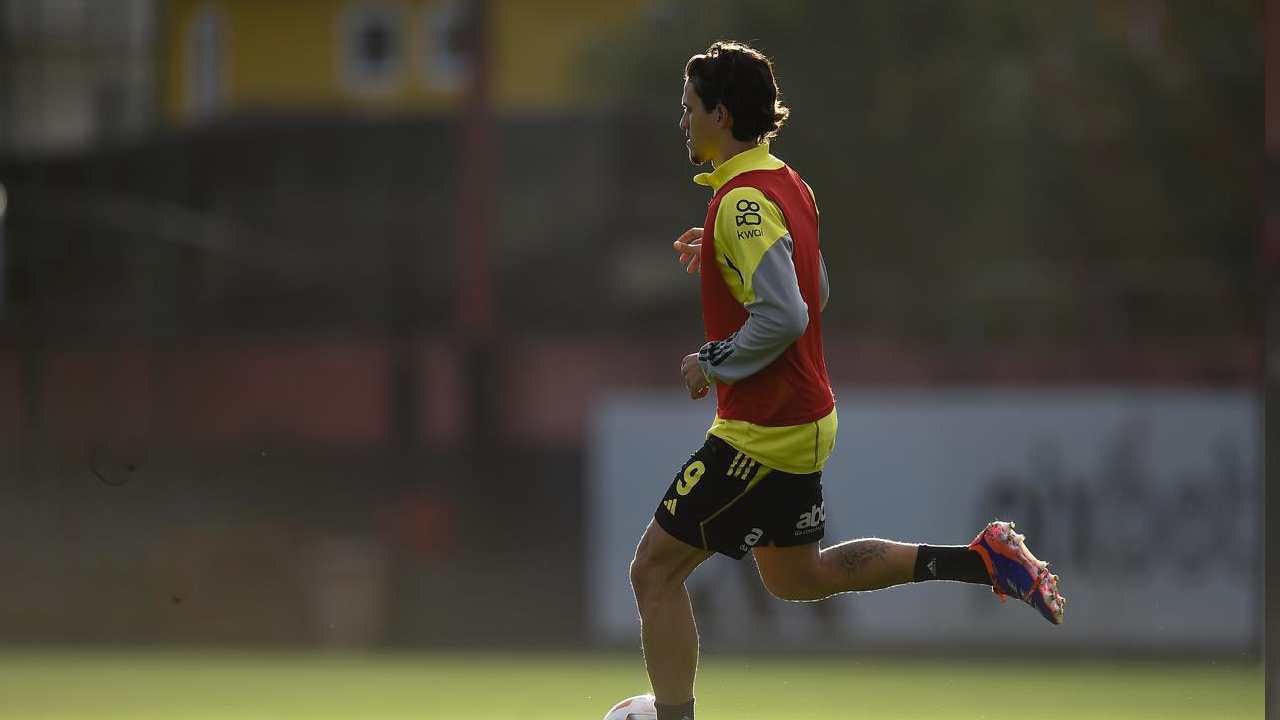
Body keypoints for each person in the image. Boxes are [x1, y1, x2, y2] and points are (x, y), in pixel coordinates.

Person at [628, 41, 1066, 720]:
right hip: (800, 420)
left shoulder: (743, 206)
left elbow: (790, 310)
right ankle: (983, 560)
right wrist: (722, 255)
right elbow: (817, 286)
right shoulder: (782, 184)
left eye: (689, 108)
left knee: (653, 571)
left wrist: (712, 360)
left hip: (761, 430)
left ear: (719, 112)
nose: (681, 120)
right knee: (799, 578)